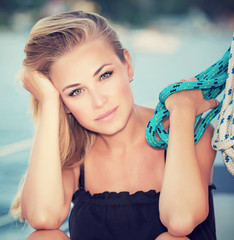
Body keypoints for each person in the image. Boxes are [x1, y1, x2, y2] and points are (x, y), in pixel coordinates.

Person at [11, 11, 219, 240]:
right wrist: (50, 102)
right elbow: (42, 217)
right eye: (76, 91)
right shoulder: (75, 156)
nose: (99, 102)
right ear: (65, 103)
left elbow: (182, 221)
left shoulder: (188, 131)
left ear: (127, 65)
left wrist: (182, 111)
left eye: (105, 75)